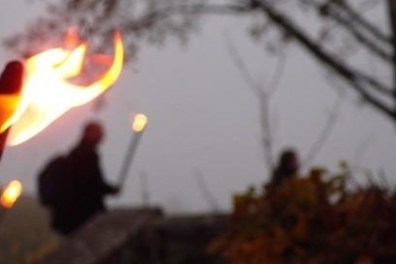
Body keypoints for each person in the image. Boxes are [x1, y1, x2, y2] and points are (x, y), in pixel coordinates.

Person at [49, 121, 119, 235]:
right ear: (89, 134)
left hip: (71, 216)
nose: (102, 137)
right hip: (81, 215)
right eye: (99, 133)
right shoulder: (85, 155)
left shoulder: (77, 153)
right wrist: (110, 190)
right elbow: (90, 184)